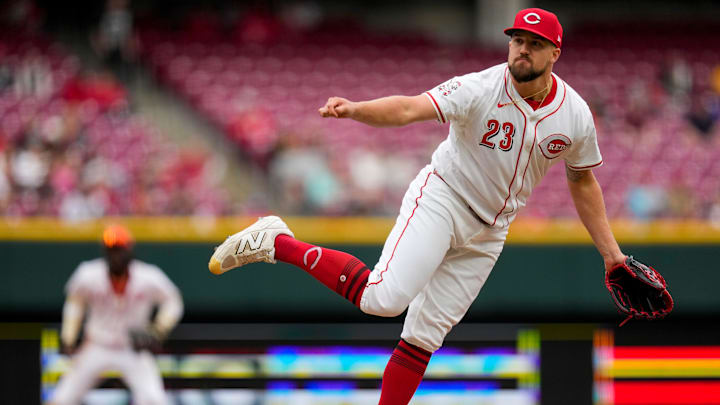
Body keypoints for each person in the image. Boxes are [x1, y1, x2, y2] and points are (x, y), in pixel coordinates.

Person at [209, 8, 626, 405]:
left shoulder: (575, 115)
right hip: (444, 200)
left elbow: (582, 178)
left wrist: (612, 256)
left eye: (534, 43)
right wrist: (356, 109)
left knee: (424, 338)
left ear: (555, 52)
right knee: (382, 299)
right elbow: (410, 107)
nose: (522, 49)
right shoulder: (479, 88)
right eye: (517, 39)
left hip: (491, 231)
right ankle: (278, 242)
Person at [50, 225, 183, 405]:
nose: (116, 255)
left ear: (129, 251)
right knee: (62, 398)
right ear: (105, 252)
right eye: (111, 250)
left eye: (120, 250)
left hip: (132, 348)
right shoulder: (89, 274)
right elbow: (75, 303)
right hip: (97, 345)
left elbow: (173, 301)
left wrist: (159, 328)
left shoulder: (148, 276)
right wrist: (69, 335)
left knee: (154, 400)